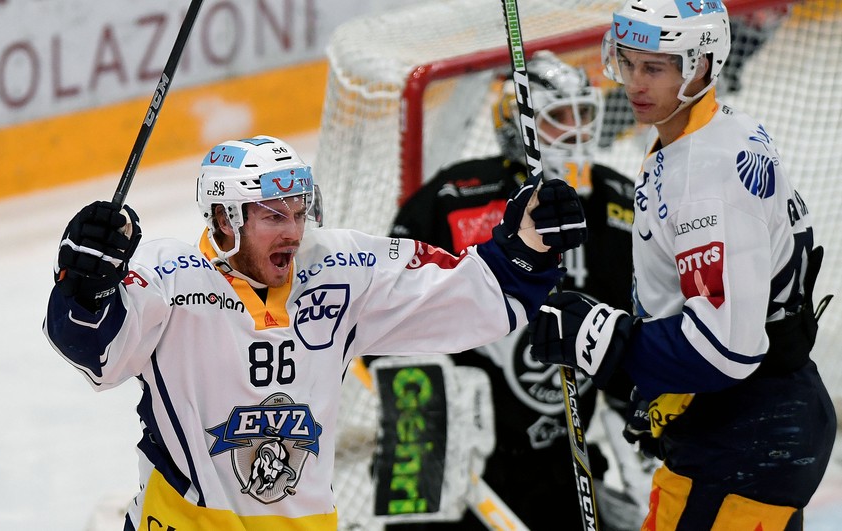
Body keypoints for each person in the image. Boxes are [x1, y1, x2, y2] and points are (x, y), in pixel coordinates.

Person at [42, 134, 587, 530]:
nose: (295, 232)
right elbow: (98, 354)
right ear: (226, 221)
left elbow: (472, 298)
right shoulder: (165, 274)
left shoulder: (339, 266)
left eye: (300, 213)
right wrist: (84, 287)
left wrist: (527, 248)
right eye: (274, 217)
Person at [530, 1, 837, 530]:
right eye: (626, 63)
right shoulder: (705, 132)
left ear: (701, 65)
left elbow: (726, 349)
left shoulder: (704, 178)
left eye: (654, 68)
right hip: (747, 428)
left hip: (747, 438)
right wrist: (659, 391)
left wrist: (603, 341)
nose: (633, 84)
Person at [381, 50, 639, 531]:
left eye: (584, 114)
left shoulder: (618, 203)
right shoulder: (456, 198)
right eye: (559, 117)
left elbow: (639, 336)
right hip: (458, 468)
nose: (577, 131)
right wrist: (440, 425)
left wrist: (641, 456)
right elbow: (385, 319)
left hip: (564, 466)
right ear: (520, 126)